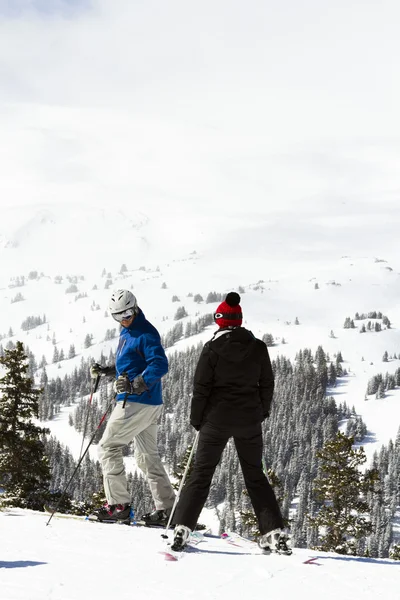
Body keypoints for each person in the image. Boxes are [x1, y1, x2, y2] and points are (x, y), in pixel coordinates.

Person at [171, 292, 290, 553]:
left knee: (201, 474)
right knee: (255, 475)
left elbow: (200, 388)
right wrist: (262, 411)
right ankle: (274, 532)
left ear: (220, 320)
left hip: (215, 420)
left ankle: (182, 527)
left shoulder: (212, 348)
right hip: (248, 420)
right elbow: (267, 383)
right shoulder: (258, 347)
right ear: (240, 319)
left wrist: (196, 419)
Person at [90, 289, 175, 524]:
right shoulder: (128, 331)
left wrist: (136, 384)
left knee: (108, 448)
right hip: (149, 402)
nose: (123, 319)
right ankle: (168, 509)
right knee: (148, 457)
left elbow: (159, 365)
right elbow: (132, 364)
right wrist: (109, 371)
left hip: (136, 402)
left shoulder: (145, 332)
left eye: (127, 313)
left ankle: (119, 506)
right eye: (117, 316)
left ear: (135, 307)